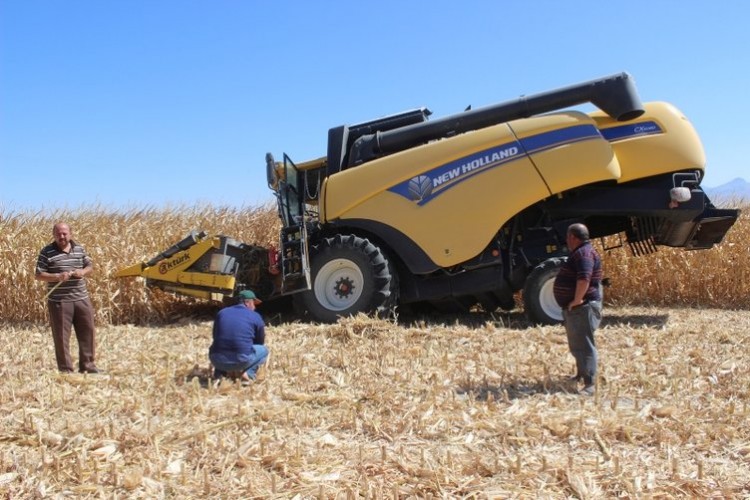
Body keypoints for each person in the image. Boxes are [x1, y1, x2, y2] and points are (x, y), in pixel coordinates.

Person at [35, 222, 100, 374]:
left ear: (70, 233)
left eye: (64, 233)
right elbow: (38, 275)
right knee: (62, 337)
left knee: (87, 332)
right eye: (58, 233)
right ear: (54, 235)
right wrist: (57, 276)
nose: (61, 236)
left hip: (81, 298)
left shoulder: (79, 249)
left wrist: (82, 272)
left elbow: (89, 266)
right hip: (60, 301)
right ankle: (66, 371)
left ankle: (88, 366)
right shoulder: (46, 252)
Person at [553, 223, 603, 396]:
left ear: (573, 237)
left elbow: (584, 279)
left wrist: (576, 300)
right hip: (579, 307)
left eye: (568, 237)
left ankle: (590, 384)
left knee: (585, 345)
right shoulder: (582, 252)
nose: (566, 241)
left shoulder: (584, 254)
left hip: (583, 307)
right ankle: (581, 374)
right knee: (578, 344)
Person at [209, 290, 268, 383]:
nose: (255, 307)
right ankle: (248, 374)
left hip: (216, 359)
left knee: (220, 346)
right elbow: (259, 342)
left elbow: (215, 336)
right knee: (264, 350)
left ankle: (219, 374)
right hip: (241, 360)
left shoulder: (222, 313)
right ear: (247, 302)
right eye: (254, 303)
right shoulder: (255, 316)